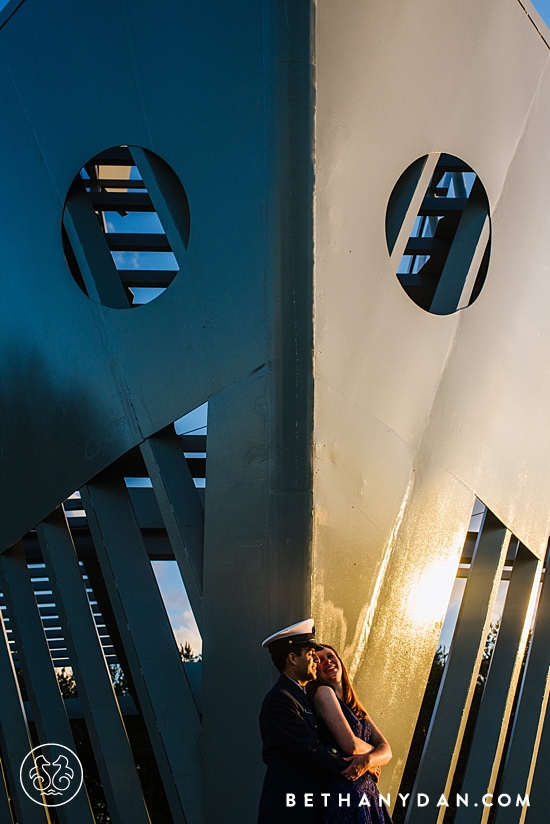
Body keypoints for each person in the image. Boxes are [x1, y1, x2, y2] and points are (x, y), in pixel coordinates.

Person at [258, 620, 375, 824]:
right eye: (310, 654)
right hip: (289, 809)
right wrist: (358, 764)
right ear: (293, 659)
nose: (315, 660)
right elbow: (311, 750)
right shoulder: (281, 699)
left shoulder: (302, 697)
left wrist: (367, 761)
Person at [307, 644, 393, 823]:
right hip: (346, 792)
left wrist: (368, 761)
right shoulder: (323, 693)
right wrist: (375, 756)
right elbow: (351, 745)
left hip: (368, 794)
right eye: (320, 660)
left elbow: (387, 750)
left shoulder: (355, 705)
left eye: (330, 656)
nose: (327, 662)